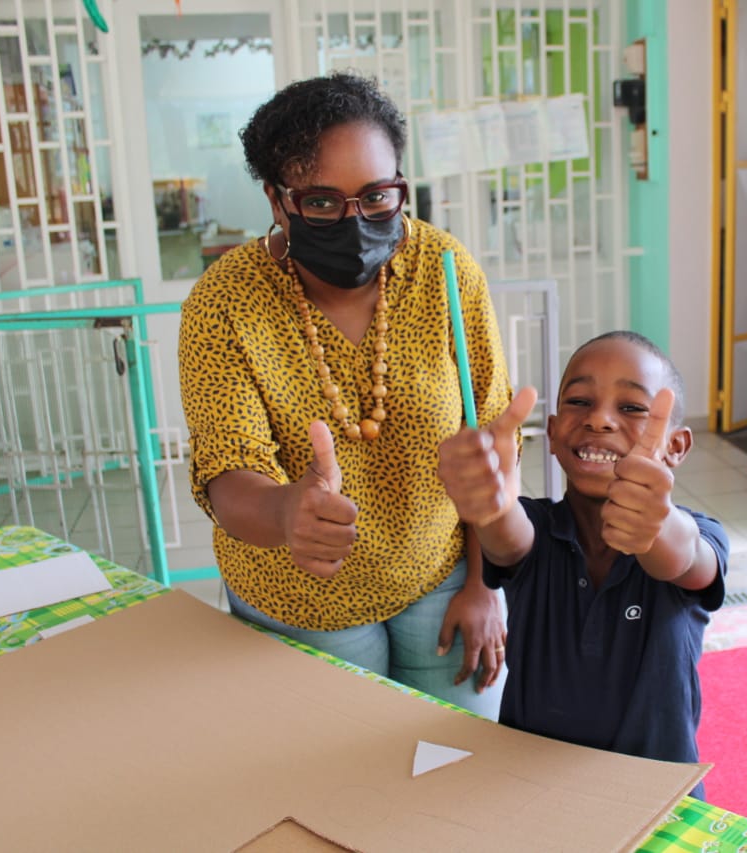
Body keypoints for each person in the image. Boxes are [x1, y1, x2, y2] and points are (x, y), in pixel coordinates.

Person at [178, 72, 512, 718]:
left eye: (378, 196)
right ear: (279, 202)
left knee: (461, 777)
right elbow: (226, 471)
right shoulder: (225, 304)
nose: (357, 221)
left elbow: (491, 438)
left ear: (401, 188)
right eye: (324, 203)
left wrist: (484, 580)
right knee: (339, 793)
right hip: (299, 601)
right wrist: (284, 513)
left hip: (440, 579)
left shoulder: (445, 274)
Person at [436, 331, 728, 798]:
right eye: (579, 401)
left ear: (676, 445)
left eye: (632, 408)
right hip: (530, 792)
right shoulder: (535, 527)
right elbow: (506, 534)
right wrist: (491, 505)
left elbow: (684, 556)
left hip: (656, 800)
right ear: (551, 433)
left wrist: (654, 526)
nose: (599, 420)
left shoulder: (697, 535)